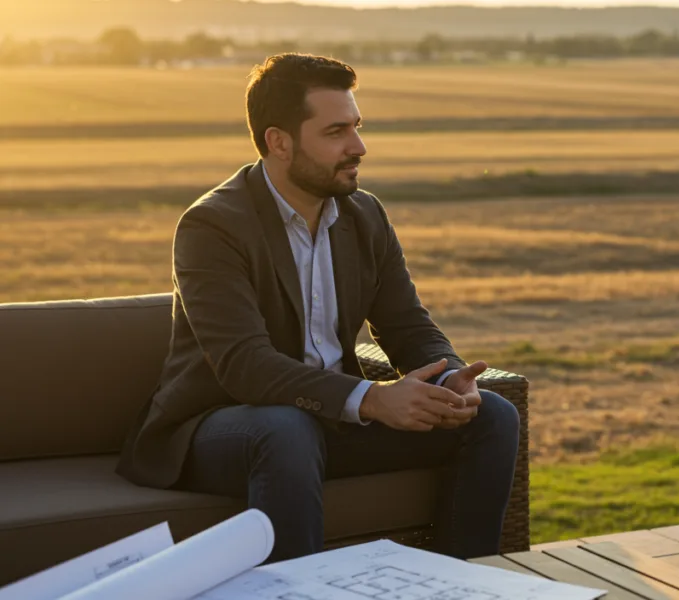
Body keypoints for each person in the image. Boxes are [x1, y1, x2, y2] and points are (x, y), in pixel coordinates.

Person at [116, 53, 520, 563]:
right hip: (221, 426)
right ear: (279, 142)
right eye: (335, 132)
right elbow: (245, 366)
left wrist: (448, 381)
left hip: (331, 418)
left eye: (357, 127)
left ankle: (462, 583)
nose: (358, 147)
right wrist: (372, 399)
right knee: (286, 428)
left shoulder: (365, 214)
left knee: (493, 416)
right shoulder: (213, 226)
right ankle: (296, 593)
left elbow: (406, 325)